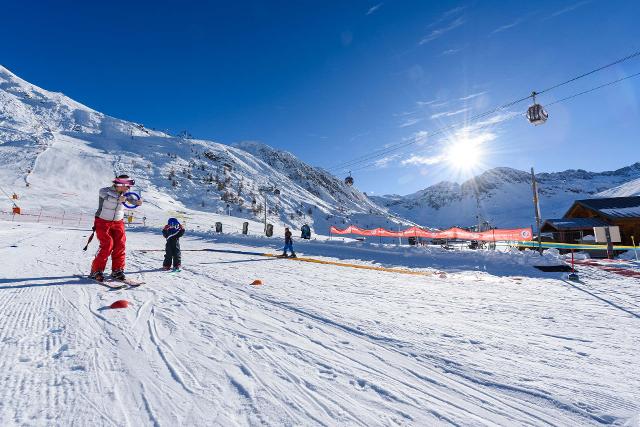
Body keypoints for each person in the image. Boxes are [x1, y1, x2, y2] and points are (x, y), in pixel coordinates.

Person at [89, 175, 143, 281]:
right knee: (107, 244)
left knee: (120, 244)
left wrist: (137, 202)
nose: (128, 188)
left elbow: (131, 200)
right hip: (103, 221)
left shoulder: (126, 194)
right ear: (120, 184)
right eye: (127, 186)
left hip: (118, 222)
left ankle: (117, 270)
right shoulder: (105, 191)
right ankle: (96, 270)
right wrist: (119, 198)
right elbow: (109, 197)